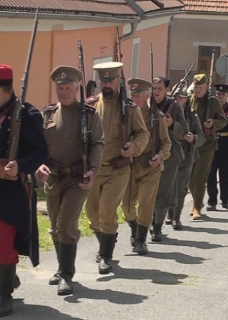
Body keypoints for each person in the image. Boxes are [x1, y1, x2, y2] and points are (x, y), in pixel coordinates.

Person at [36, 66, 104, 296]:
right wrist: (39, 164)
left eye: (67, 88)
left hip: (77, 178)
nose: (63, 92)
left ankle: (67, 274)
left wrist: (93, 170)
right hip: (54, 178)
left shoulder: (89, 114)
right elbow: (38, 147)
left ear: (76, 89)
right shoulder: (47, 114)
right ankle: (61, 267)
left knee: (66, 223)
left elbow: (97, 144)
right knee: (55, 227)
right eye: (59, 88)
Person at [85, 62, 149, 273]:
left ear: (118, 81)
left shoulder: (129, 109)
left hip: (118, 167)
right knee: (92, 213)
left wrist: (134, 146)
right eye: (103, 80)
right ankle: (107, 241)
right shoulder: (90, 105)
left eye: (110, 80)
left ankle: (105, 255)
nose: (106, 85)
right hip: (94, 168)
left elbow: (142, 134)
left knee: (107, 209)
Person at [0, 64, 48, 317]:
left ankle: (4, 292)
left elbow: (41, 151)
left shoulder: (26, 114)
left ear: (5, 90)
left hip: (11, 190)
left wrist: (20, 164)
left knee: (4, 240)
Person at [122, 78, 171, 254]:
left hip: (150, 168)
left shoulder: (157, 117)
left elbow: (166, 143)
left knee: (146, 204)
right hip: (129, 167)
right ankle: (134, 228)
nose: (134, 99)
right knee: (127, 207)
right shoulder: (124, 115)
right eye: (132, 95)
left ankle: (141, 239)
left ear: (146, 95)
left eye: (138, 95)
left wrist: (160, 156)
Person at [151, 76, 188, 242]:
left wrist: (172, 124)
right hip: (148, 153)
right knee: (147, 192)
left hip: (169, 156)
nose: (156, 91)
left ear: (166, 90)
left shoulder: (174, 106)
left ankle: (157, 227)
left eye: (159, 88)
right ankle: (146, 223)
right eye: (154, 88)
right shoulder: (146, 104)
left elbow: (184, 132)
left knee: (163, 193)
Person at [189, 74, 227, 219]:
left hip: (207, 144)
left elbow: (223, 120)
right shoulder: (190, 100)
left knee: (200, 176)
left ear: (206, 87)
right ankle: (196, 202)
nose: (197, 90)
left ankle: (197, 207)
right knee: (190, 178)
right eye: (196, 87)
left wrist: (213, 124)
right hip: (191, 144)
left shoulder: (213, 102)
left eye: (200, 87)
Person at [167, 87, 205, 229]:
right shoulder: (167, 114)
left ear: (186, 100)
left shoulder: (192, 117)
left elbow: (201, 138)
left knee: (181, 188)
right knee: (167, 187)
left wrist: (193, 138)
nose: (178, 101)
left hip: (186, 155)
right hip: (169, 154)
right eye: (176, 97)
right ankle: (169, 214)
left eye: (181, 98)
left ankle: (176, 217)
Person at [206, 84, 228, 210]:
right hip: (211, 144)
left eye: (223, 94)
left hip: (227, 144)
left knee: (225, 174)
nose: (220, 96)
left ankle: (225, 198)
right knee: (210, 174)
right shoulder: (210, 109)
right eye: (218, 94)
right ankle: (212, 200)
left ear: (227, 96)